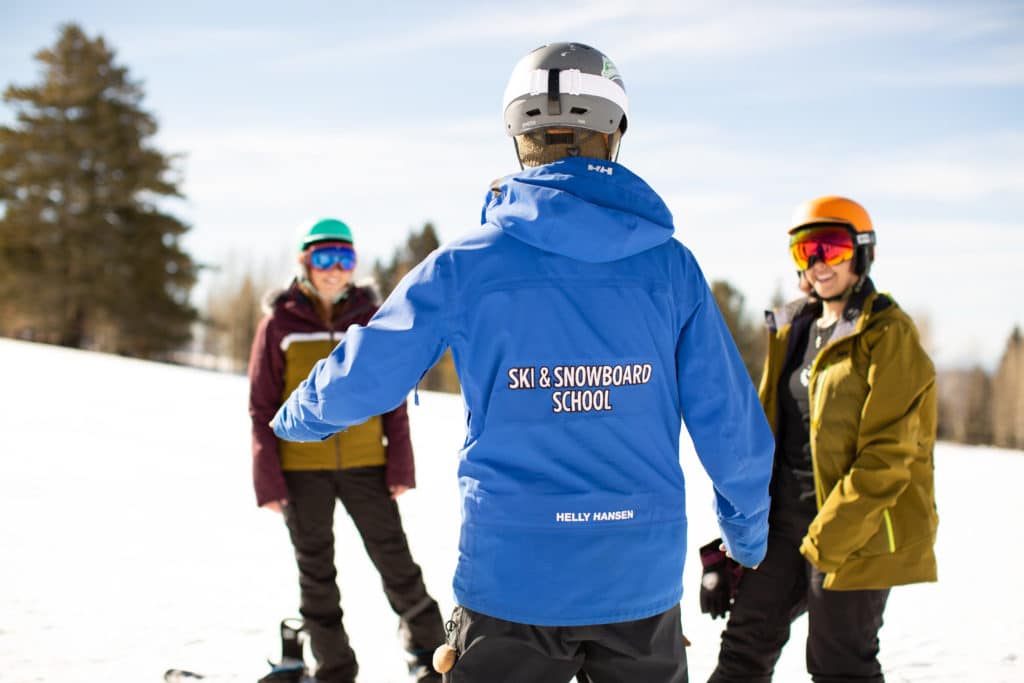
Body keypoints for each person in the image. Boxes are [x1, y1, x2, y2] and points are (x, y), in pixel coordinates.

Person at [272, 43, 774, 683]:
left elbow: (368, 370)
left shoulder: (467, 264)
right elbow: (728, 418)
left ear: (519, 138)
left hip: (511, 576)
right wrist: (747, 533)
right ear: (612, 134)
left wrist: (297, 417)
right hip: (637, 574)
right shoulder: (671, 268)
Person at [707, 196, 939, 683]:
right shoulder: (792, 328)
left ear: (861, 252)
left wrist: (828, 539)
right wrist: (739, 532)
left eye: (830, 248)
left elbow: (888, 456)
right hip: (786, 523)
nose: (816, 263)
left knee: (839, 665)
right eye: (804, 250)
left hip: (857, 528)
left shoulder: (887, 334)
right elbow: (769, 433)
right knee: (743, 649)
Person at [247, 218, 446, 683]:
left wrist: (399, 464)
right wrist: (269, 479)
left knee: (396, 562)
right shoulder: (279, 323)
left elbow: (393, 398)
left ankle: (429, 656)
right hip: (301, 470)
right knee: (315, 573)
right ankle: (334, 666)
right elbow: (260, 407)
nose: (335, 270)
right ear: (304, 263)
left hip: (366, 466)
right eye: (323, 258)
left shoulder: (370, 317)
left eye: (345, 259)